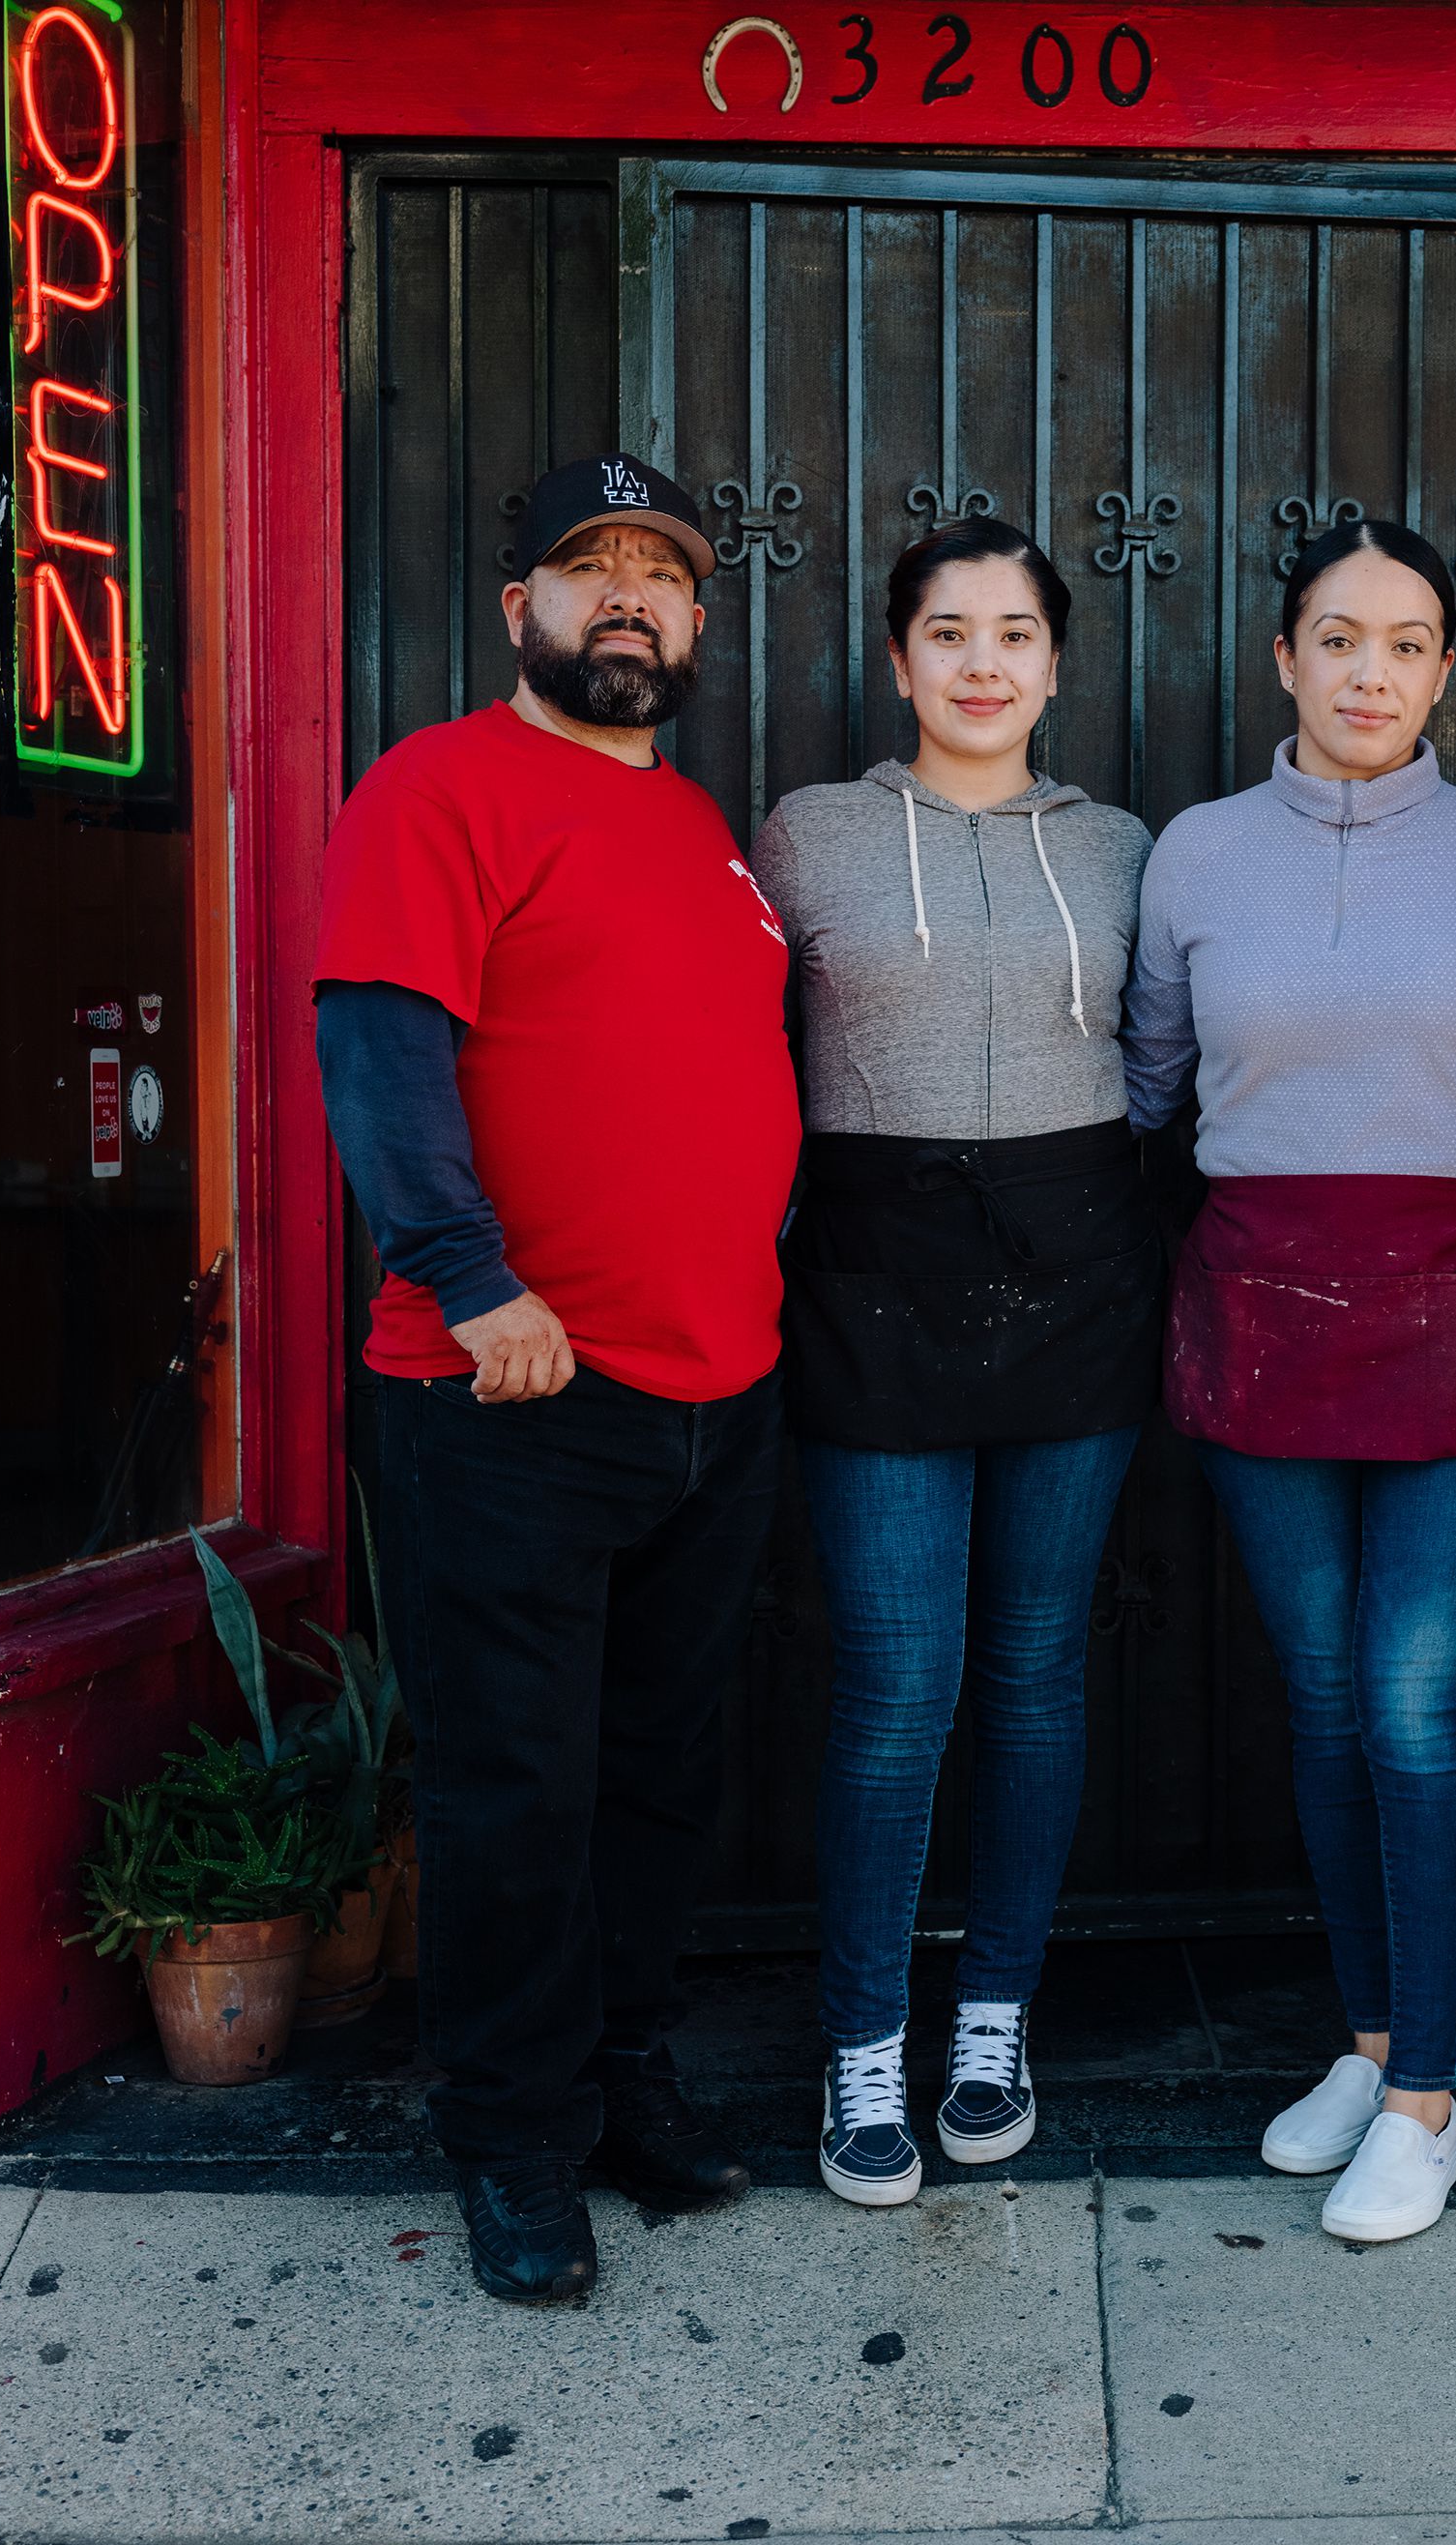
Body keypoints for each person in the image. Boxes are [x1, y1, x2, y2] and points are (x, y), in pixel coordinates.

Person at [311, 454, 799, 2307]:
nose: (627, 599)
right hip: (510, 1389)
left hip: (714, 1389)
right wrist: (471, 1276)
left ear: (696, 621)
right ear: (515, 608)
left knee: (663, 1778)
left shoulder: (703, 832)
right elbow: (381, 1046)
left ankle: (622, 2085)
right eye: (586, 568)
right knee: (520, 1789)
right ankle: (511, 2144)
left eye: (660, 575)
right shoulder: (439, 787)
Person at [1124, 518, 1456, 2246]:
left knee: (1411, 1708)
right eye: (1338, 639)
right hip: (1263, 1308)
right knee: (1318, 1703)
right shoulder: (1197, 857)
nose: (1372, 672)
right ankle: (1371, 2050)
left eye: (1408, 643)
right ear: (1283, 660)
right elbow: (1151, 1074)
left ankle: (1433, 2102)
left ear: (1448, 671)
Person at [750, 517, 1160, 2209]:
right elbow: (740, 1052)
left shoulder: (1128, 847)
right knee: (898, 1683)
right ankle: (864, 2049)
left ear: (1056, 664)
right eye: (947, 630)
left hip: (1076, 1280)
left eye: (1014, 633)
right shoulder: (809, 836)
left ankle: (990, 2020)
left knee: (1037, 1677)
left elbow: (1162, 1062)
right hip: (873, 1282)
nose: (982, 661)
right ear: (899, 657)